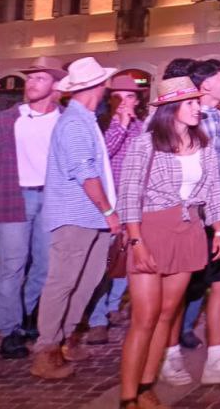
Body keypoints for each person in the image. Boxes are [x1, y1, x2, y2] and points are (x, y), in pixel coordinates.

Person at [118, 76, 220, 408]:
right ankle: (127, 397)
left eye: (197, 102)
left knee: (167, 314)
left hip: (189, 232)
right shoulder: (145, 144)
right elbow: (129, 195)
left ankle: (146, 386)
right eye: (190, 103)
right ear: (171, 108)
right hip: (150, 231)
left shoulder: (204, 144)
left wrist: (219, 230)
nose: (197, 108)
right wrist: (137, 242)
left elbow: (214, 191)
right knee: (145, 317)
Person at [161, 59, 220, 386]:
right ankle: (169, 355)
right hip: (192, 219)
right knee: (181, 288)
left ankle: (217, 359)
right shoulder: (188, 118)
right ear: (205, 85)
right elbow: (200, 166)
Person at [29, 57, 120, 380]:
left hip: (90, 216)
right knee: (63, 281)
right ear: (98, 86)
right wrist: (109, 211)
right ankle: (46, 350)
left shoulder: (85, 120)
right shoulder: (74, 124)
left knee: (87, 281)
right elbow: (85, 173)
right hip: (75, 216)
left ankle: (66, 339)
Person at [0, 57, 67, 359]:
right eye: (30, 78)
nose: (32, 83)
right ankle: (9, 330)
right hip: (14, 198)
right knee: (11, 266)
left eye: (40, 78)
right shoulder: (7, 119)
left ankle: (26, 318)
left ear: (55, 85)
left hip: (51, 199)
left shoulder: (65, 121)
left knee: (45, 266)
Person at [82, 74, 149, 345]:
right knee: (104, 264)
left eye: (129, 96)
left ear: (137, 100)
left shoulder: (142, 127)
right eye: (117, 97)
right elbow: (102, 158)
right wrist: (120, 125)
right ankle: (97, 319)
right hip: (107, 204)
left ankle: (113, 307)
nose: (124, 102)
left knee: (126, 259)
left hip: (134, 203)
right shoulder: (100, 125)